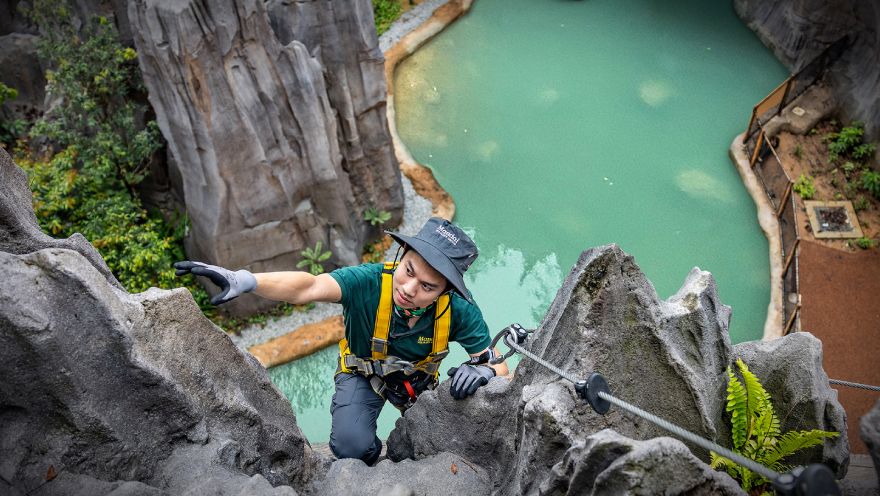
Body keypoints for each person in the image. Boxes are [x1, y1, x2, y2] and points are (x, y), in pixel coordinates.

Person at [174, 217, 508, 465]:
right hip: (363, 374)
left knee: (450, 435)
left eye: (427, 287)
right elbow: (309, 287)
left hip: (417, 384)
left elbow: (497, 363)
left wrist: (487, 372)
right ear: (401, 253)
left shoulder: (460, 311)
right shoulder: (368, 282)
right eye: (408, 271)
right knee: (351, 447)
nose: (409, 288)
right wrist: (245, 280)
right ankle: (375, 459)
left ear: (446, 291)